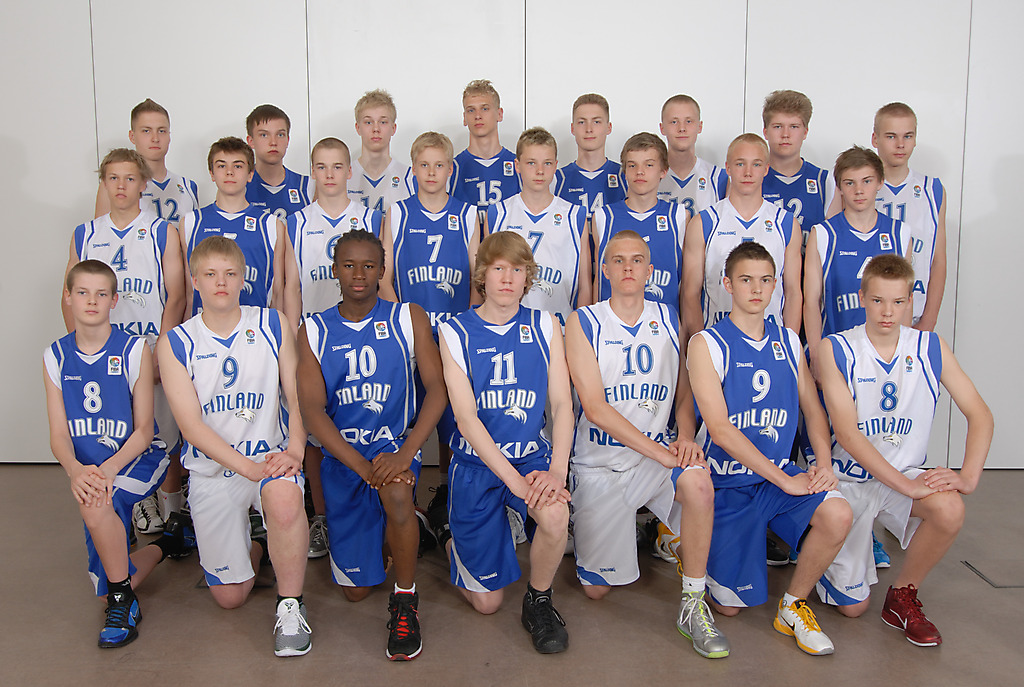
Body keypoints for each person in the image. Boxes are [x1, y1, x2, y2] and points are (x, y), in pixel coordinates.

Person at [816, 254, 992, 646]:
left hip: (903, 477)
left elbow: (980, 414)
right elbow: (847, 435)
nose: (887, 312)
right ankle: (823, 545)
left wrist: (968, 477)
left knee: (950, 508)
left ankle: (902, 595)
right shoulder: (837, 348)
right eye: (878, 300)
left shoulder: (930, 347)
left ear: (910, 301)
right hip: (849, 483)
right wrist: (909, 486)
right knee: (852, 608)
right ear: (862, 298)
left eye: (897, 302)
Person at [566, 230, 727, 658]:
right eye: (618, 261)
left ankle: (692, 603)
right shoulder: (584, 321)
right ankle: (630, 527)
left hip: (656, 460)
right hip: (601, 464)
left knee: (699, 481)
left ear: (650, 270)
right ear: (604, 270)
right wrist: (663, 452)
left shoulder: (669, 318)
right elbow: (595, 408)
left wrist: (685, 436)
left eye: (637, 260)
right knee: (597, 589)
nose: (628, 268)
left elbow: (687, 386)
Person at [688, 241, 852, 656]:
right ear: (727, 285)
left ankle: (793, 605)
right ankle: (688, 541)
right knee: (729, 606)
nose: (756, 289)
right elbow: (720, 430)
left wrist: (823, 464)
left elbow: (813, 410)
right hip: (727, 486)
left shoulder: (788, 341)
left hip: (776, 480)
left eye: (765, 280)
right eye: (746, 280)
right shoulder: (707, 343)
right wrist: (784, 479)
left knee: (838, 512)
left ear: (776, 284)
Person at [296, 230, 447, 660]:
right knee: (357, 591)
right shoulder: (314, 329)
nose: (359, 274)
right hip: (345, 459)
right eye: (349, 265)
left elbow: (437, 391)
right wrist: (362, 469)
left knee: (396, 493)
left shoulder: (408, 317)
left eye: (368, 265)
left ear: (383, 270)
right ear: (334, 270)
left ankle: (405, 599)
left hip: (393, 449)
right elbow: (313, 412)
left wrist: (406, 453)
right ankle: (395, 532)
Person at [158, 237, 312, 657]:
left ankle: (290, 607)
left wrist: (296, 449)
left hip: (270, 459)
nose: (221, 282)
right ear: (195, 281)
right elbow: (191, 427)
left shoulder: (273, 324)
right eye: (210, 274)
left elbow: (296, 395)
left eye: (229, 274)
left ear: (244, 279)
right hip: (215, 471)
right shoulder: (175, 343)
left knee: (284, 499)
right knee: (231, 596)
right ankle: (260, 545)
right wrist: (247, 469)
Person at [437, 232, 573, 654]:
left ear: (528, 277)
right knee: (487, 604)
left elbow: (562, 404)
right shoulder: (454, 331)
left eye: (517, 269)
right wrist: (518, 486)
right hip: (476, 467)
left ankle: (539, 600)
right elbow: (466, 419)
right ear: (483, 274)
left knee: (555, 513)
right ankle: (450, 537)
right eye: (498, 268)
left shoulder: (545, 324)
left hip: (531, 458)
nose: (508, 278)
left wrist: (556, 472)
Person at [45, 260, 183, 648]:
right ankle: (167, 544)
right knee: (105, 586)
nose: (91, 301)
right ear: (68, 297)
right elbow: (58, 435)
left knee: (96, 503)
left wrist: (107, 470)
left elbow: (143, 431)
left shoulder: (133, 348)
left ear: (114, 300)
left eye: (101, 294)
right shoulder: (55, 355)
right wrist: (75, 470)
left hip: (139, 457)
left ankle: (123, 603)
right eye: (82, 293)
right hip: (89, 469)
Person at [66, 148, 186, 535]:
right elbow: (68, 295)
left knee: (164, 436)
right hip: (105, 355)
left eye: (130, 178)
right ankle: (134, 505)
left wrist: (162, 351)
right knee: (114, 434)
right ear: (103, 182)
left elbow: (177, 295)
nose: (121, 186)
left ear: (143, 184)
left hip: (149, 349)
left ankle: (174, 511)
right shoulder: (86, 234)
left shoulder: (162, 230)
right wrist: (79, 351)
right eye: (113, 178)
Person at [282, 136, 381, 558]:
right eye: (321, 167)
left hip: (361, 332)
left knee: (367, 416)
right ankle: (321, 516)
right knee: (315, 428)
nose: (329, 175)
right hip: (317, 337)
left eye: (337, 166)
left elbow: (381, 278)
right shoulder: (296, 222)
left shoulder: (370, 217)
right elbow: (291, 286)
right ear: (312, 172)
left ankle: (379, 504)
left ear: (349, 170)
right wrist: (294, 336)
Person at [379, 132, 479, 525]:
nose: (431, 172)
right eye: (424, 165)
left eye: (439, 165)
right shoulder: (398, 213)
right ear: (413, 168)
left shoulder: (467, 214)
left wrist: (464, 331)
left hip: (452, 336)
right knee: (411, 417)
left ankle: (449, 496)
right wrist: (404, 323)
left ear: (450, 169)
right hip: (412, 336)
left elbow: (476, 280)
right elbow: (384, 277)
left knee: (453, 421)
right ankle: (411, 504)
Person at [682, 133, 803, 342]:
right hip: (718, 339)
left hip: (770, 341)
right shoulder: (704, 222)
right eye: (740, 164)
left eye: (756, 164)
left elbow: (793, 293)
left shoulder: (786, 223)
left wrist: (788, 344)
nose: (748, 172)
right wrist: (701, 344)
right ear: (728, 168)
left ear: (766, 169)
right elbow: (690, 293)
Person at [804, 146, 911, 379]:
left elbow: (905, 300)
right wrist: (817, 355)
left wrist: (905, 352)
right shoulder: (823, 234)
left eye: (867, 181)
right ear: (839, 187)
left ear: (880, 182)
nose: (859, 190)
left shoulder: (899, 233)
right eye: (850, 183)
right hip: (837, 353)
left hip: (886, 355)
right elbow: (811, 301)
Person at [488, 126, 591, 326]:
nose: (540, 171)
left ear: (556, 166)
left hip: (560, 327)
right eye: (531, 163)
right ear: (517, 165)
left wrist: (578, 330)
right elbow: (486, 279)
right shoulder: (498, 213)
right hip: (510, 326)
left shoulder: (574, 215)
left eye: (547, 163)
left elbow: (584, 284)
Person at [180, 137, 284, 317]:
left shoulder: (271, 225)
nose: (229, 172)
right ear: (212, 174)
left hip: (254, 327)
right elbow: (189, 294)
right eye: (221, 166)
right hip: (204, 328)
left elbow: (277, 293)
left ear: (250, 174)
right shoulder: (191, 223)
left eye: (238, 166)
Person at [592, 133, 687, 315]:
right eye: (632, 165)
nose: (640, 172)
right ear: (624, 171)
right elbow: (598, 283)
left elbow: (687, 286)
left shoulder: (679, 216)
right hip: (611, 326)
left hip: (663, 325)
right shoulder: (604, 217)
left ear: (663, 170)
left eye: (649, 165)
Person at [872, 102, 947, 330]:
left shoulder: (932, 190)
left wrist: (929, 320)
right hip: (869, 314)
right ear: (875, 139)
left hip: (915, 315)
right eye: (891, 136)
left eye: (908, 136)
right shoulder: (860, 188)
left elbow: (938, 260)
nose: (900, 144)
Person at [94, 98, 200, 224]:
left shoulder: (188, 186)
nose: (155, 138)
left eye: (161, 131)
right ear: (132, 136)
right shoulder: (116, 184)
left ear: (169, 136)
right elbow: (103, 232)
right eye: (146, 131)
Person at [760, 90, 839, 244]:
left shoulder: (825, 181)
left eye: (794, 127)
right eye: (778, 126)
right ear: (766, 132)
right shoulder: (751, 177)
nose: (785, 134)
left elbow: (833, 241)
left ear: (805, 132)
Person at [451, 79, 521, 224]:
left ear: (499, 114)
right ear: (464, 118)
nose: (478, 116)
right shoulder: (453, 168)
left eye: (485, 109)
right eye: (471, 110)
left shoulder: (519, 166)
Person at [553, 93, 626, 218]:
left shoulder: (625, 176)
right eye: (582, 122)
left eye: (596, 122)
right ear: (572, 128)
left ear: (608, 127)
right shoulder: (557, 179)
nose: (589, 129)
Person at [658, 94, 728, 216]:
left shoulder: (718, 178)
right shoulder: (648, 175)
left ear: (699, 126)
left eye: (689, 121)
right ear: (662, 128)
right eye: (674, 122)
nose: (682, 128)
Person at [347, 89, 415, 214]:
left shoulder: (410, 177)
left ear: (393, 128)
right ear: (358, 128)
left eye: (383, 122)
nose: (376, 129)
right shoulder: (343, 177)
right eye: (368, 122)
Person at [245, 104, 314, 221]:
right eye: (264, 135)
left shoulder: (307, 186)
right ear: (251, 141)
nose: (273, 142)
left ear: (287, 140)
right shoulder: (240, 185)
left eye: (280, 135)